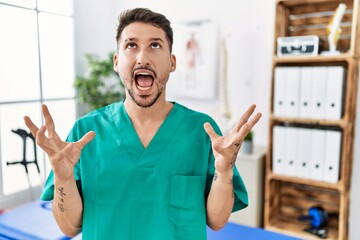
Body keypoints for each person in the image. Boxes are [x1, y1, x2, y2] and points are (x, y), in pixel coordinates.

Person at [24, 8, 262, 240]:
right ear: (117, 62)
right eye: (131, 45)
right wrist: (63, 177)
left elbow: (217, 221)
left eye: (155, 45)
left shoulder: (201, 132)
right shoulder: (85, 133)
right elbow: (69, 228)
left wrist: (224, 169)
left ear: (172, 62)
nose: (142, 57)